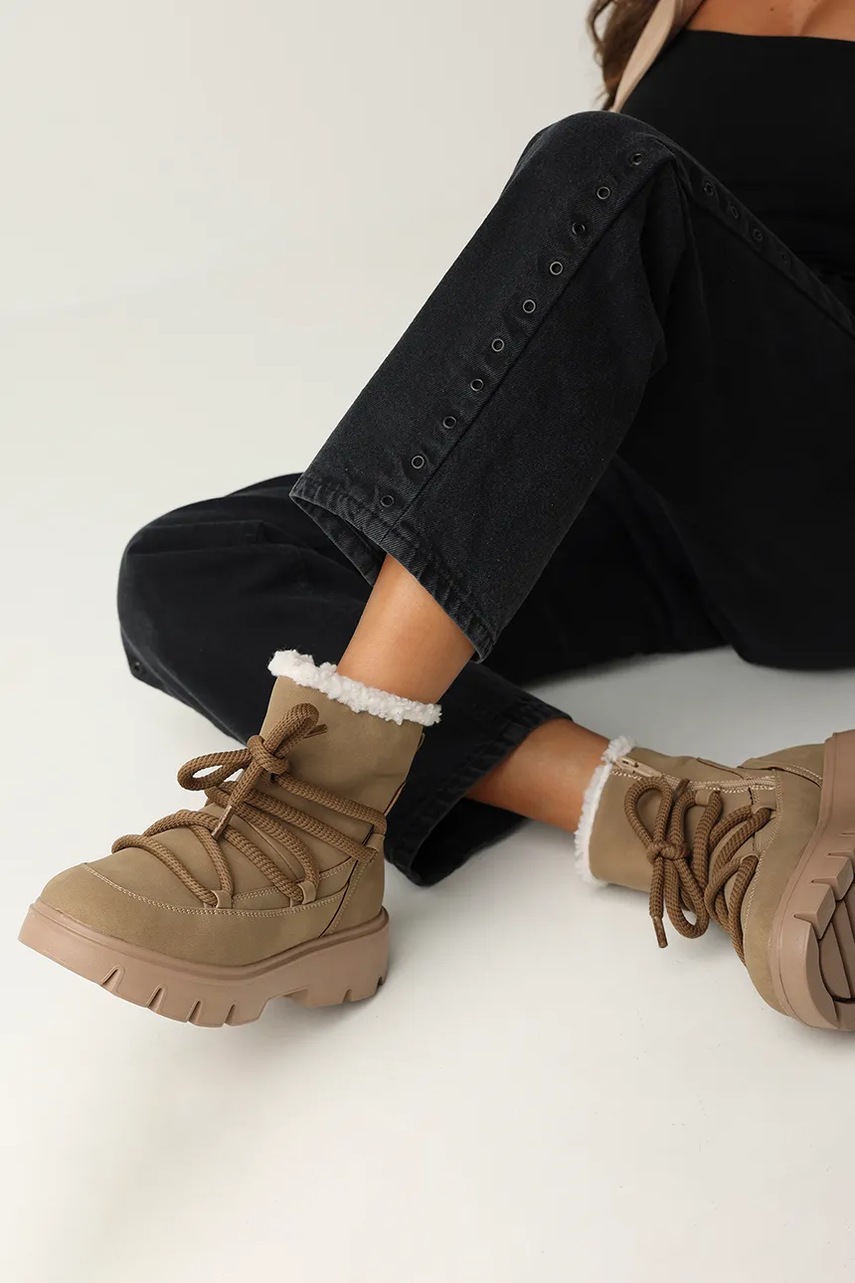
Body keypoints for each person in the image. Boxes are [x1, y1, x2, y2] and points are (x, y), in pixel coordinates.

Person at [19, 0, 855, 1033]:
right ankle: (683, 817)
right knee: (193, 562)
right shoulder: (665, 13)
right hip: (651, 499)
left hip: (826, 504)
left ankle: (313, 812)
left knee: (607, 164)